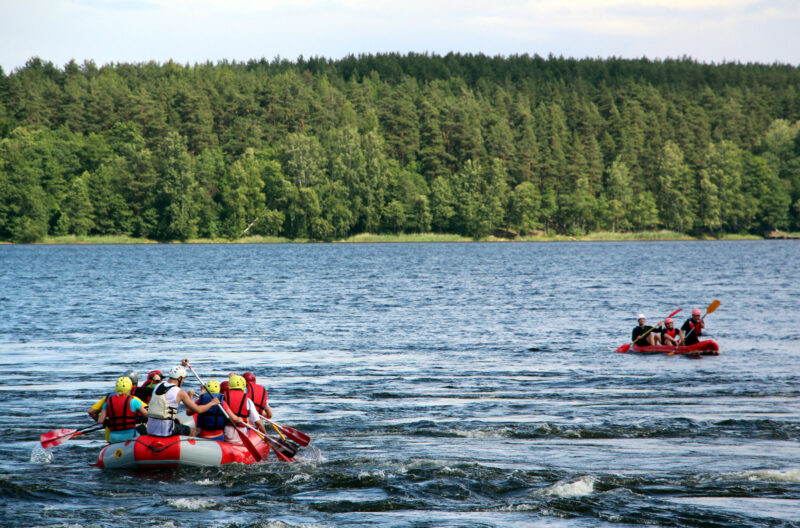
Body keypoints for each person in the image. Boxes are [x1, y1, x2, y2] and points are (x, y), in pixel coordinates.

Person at [146, 364, 219, 437]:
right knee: (192, 431)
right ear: (179, 378)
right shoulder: (180, 392)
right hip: (165, 431)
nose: (183, 381)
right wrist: (212, 403)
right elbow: (198, 410)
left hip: (150, 428)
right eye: (183, 379)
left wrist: (183, 366)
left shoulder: (158, 386)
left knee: (178, 421)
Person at [97, 376, 148, 443]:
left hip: (113, 437)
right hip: (131, 436)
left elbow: (100, 421)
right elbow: (146, 415)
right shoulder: (134, 401)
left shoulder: (108, 401)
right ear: (130, 388)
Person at [223, 374, 268, 443]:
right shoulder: (247, 400)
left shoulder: (223, 398)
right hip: (241, 432)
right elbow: (258, 422)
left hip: (225, 431)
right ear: (244, 385)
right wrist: (266, 434)